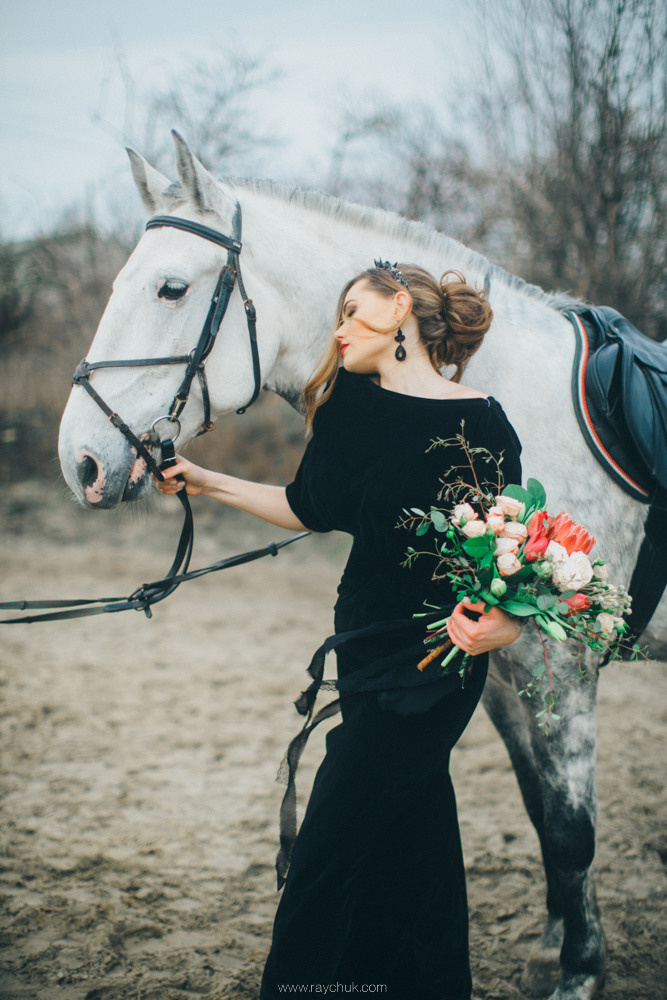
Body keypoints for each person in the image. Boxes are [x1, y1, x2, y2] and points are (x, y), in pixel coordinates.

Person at [156, 261, 523, 999]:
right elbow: (308, 506)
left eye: (353, 311)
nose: (338, 329)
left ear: (397, 309)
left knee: (326, 846)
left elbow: (517, 552)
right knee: (412, 829)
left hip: (438, 660)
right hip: (359, 645)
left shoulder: (479, 420)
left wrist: (505, 624)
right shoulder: (349, 408)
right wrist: (204, 479)